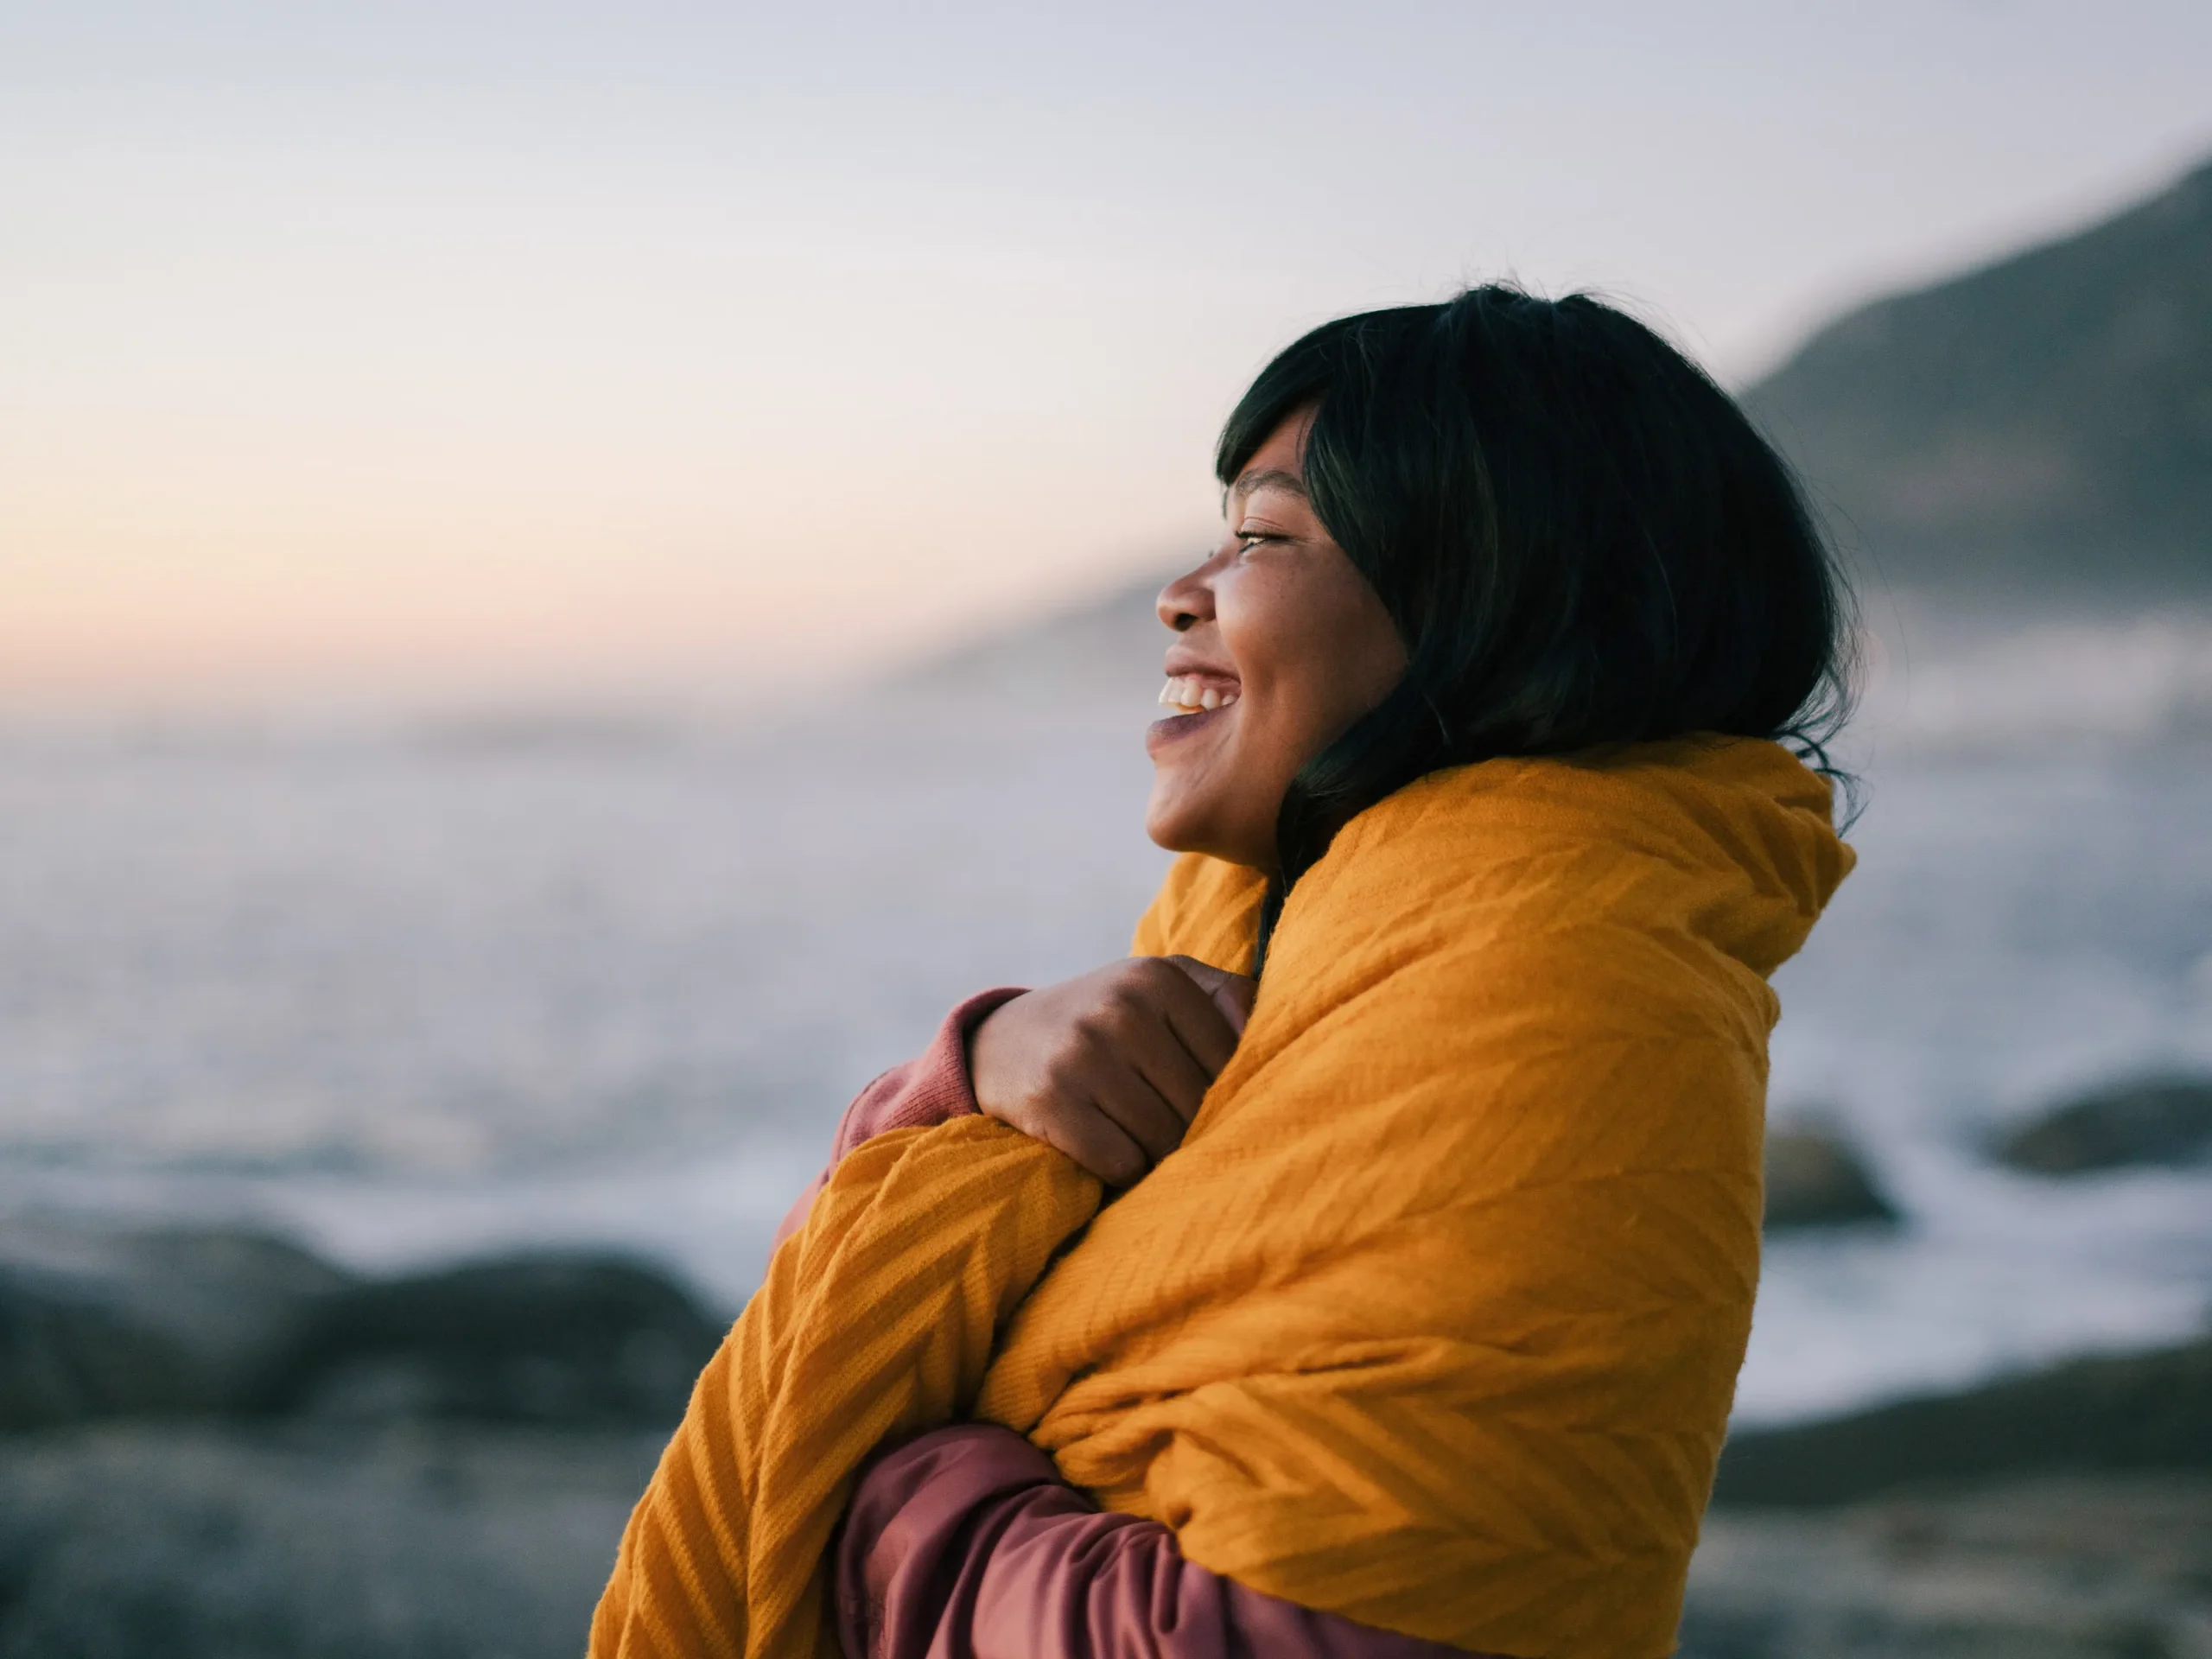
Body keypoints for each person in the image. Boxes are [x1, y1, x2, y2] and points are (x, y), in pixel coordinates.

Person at [591, 286, 1857, 1659]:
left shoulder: (1562, 990)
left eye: (1261, 535)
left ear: (1492, 598)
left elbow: (1311, 1634)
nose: (1179, 593)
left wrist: (880, 1493)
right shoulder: (1287, 947)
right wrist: (974, 1075)